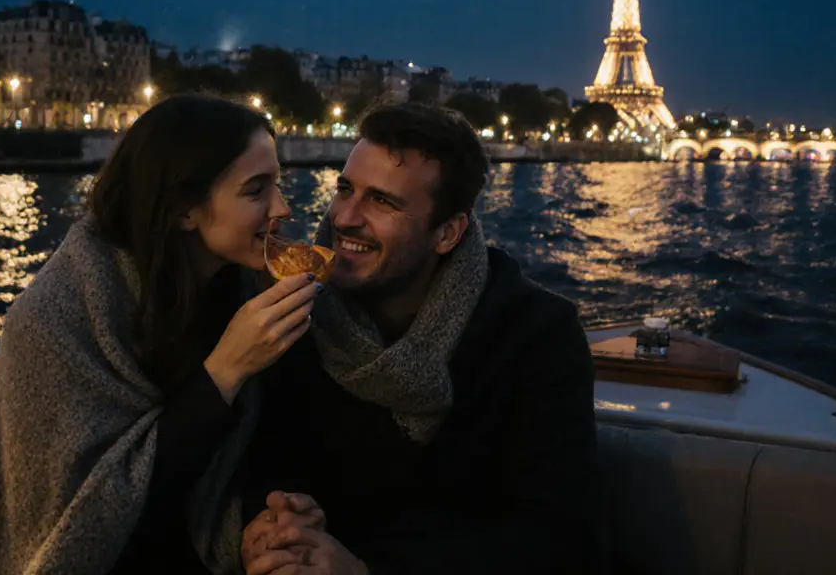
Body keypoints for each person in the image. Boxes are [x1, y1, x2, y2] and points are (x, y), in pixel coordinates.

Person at [0, 95, 320, 575]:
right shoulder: (53, 318)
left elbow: (254, 452)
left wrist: (266, 517)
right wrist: (225, 370)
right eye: (256, 191)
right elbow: (87, 521)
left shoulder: (246, 293)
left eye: (279, 184)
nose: (283, 208)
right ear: (184, 209)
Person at [236, 102, 599, 574]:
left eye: (381, 201)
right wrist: (269, 522)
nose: (344, 217)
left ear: (447, 233)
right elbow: (263, 461)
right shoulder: (299, 313)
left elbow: (554, 538)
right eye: (345, 188)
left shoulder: (536, 335)